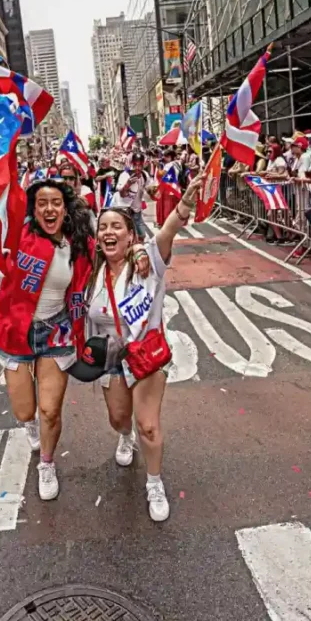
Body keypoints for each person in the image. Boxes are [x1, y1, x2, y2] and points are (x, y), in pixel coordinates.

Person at [86, 173, 206, 522]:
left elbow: (169, 229)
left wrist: (186, 201)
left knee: (148, 424)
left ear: (130, 235)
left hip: (147, 355)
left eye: (116, 227)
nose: (108, 232)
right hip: (111, 359)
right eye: (102, 227)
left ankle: (154, 482)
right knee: (120, 419)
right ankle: (125, 438)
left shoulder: (148, 260)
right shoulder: (89, 273)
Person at [0, 180, 99, 500]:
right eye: (42, 203)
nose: (49, 209)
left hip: (57, 332)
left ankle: (47, 463)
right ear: (33, 209)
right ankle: (30, 425)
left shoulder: (80, 245)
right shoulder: (17, 237)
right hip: (16, 333)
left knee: (50, 410)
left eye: (55, 203)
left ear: (65, 209)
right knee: (27, 412)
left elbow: (114, 255)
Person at [112, 153, 150, 238]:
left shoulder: (145, 175)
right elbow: (121, 194)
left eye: (140, 165)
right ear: (131, 164)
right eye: (135, 165)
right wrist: (128, 183)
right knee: (126, 237)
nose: (137, 167)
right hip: (124, 211)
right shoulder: (125, 175)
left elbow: (149, 190)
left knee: (142, 235)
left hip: (137, 211)